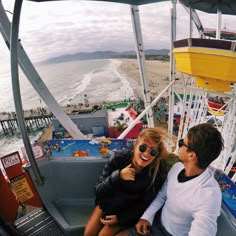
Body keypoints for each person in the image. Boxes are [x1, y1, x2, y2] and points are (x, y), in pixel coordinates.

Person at [136, 123, 224, 236]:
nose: (179, 146)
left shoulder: (208, 194)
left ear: (191, 155)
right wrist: (146, 217)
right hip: (156, 222)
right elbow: (163, 195)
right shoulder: (177, 168)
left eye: (182, 143)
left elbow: (203, 230)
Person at [84, 128, 174, 236]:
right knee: (88, 234)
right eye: (143, 147)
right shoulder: (119, 158)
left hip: (129, 211)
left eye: (153, 151)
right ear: (136, 145)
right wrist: (118, 176)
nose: (146, 153)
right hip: (109, 204)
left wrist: (120, 218)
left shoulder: (157, 173)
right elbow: (98, 190)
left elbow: (145, 204)